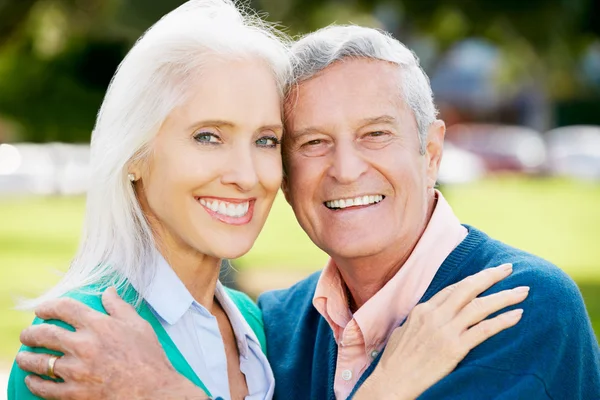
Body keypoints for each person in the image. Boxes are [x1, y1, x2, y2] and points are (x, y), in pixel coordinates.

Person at [12, 4, 541, 400]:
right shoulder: (80, 340)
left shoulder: (255, 327)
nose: (245, 175)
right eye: (208, 136)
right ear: (135, 154)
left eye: (265, 140)